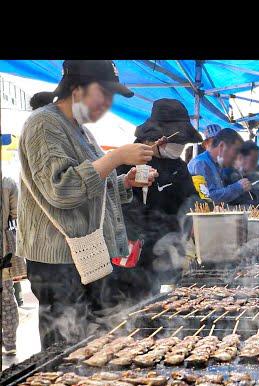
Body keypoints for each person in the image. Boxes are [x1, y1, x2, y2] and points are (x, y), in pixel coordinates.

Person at [17, 60, 159, 349]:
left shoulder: (80, 130)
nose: (108, 103)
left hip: (83, 255)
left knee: (88, 342)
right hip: (56, 261)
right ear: (78, 89)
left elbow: (94, 188)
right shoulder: (44, 123)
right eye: (103, 93)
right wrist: (115, 158)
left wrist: (124, 183)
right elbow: (62, 189)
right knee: (64, 347)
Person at [109, 99, 202, 304]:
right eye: (177, 142)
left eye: (183, 143)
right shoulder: (126, 161)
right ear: (157, 138)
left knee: (164, 307)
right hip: (131, 256)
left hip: (170, 253)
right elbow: (116, 208)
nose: (180, 147)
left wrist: (194, 236)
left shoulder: (178, 166)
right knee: (130, 310)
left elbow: (192, 201)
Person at [187, 124, 249, 203]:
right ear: (206, 144)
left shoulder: (218, 164)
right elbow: (208, 198)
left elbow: (223, 191)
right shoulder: (201, 163)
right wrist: (237, 187)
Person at [2, 176, 20, 355]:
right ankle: (10, 343)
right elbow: (15, 214)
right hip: (3, 247)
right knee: (7, 295)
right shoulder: (7, 182)